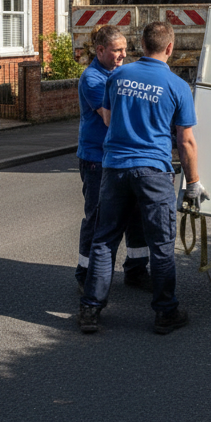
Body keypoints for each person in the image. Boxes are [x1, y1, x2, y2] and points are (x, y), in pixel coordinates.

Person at [78, 21, 206, 335]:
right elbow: (185, 140)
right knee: (161, 245)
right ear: (171, 48)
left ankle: (90, 311)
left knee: (105, 240)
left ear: (142, 46)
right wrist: (193, 183)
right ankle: (165, 313)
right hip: (153, 171)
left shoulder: (118, 76)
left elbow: (109, 117)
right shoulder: (177, 86)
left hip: (115, 168)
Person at [74, 25, 150, 295]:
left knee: (135, 214)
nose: (123, 55)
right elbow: (108, 117)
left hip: (120, 157)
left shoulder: (121, 75)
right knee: (97, 216)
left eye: (125, 50)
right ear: (100, 50)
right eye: (117, 50)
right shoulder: (93, 78)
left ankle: (137, 269)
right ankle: (86, 272)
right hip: (96, 159)